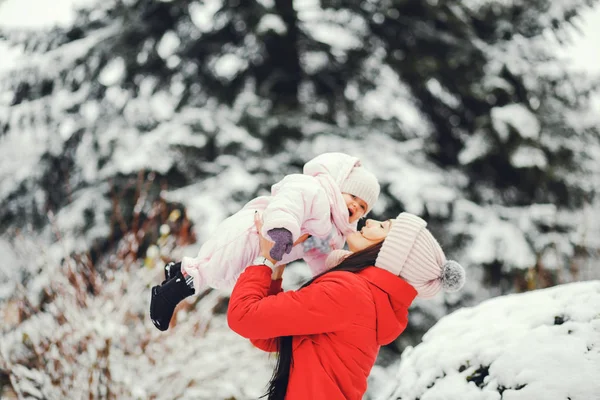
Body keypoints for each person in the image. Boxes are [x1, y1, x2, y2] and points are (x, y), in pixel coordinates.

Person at [227, 212, 466, 400]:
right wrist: (276, 269)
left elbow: (243, 316)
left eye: (383, 227)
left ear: (391, 254)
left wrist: (265, 259)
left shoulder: (350, 292)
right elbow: (268, 336)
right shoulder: (368, 299)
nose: (370, 220)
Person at [150, 152, 380, 331]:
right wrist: (282, 231)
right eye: (353, 198)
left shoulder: (334, 233)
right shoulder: (315, 191)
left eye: (362, 208)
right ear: (340, 188)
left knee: (226, 276)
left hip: (268, 251)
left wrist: (331, 276)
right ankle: (167, 295)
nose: (355, 207)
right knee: (217, 269)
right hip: (254, 231)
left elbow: (319, 255)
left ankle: (177, 270)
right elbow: (288, 204)